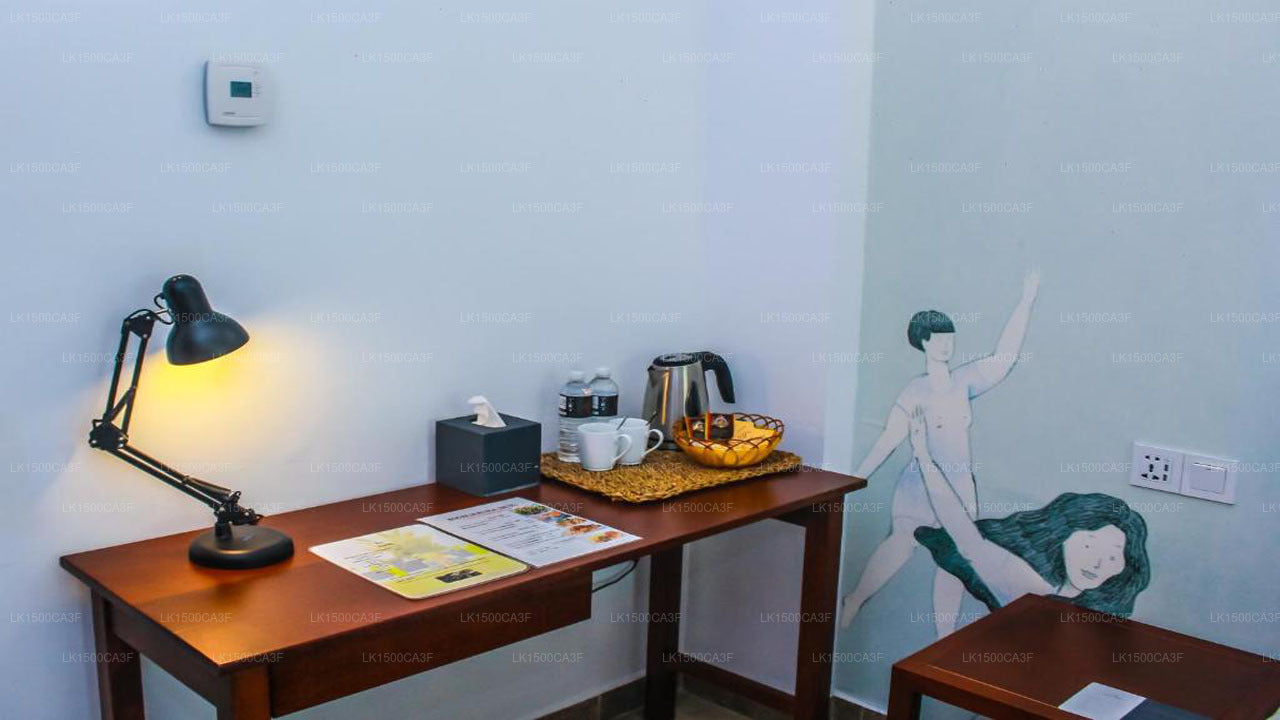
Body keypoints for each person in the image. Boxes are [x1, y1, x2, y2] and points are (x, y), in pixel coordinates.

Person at [841, 271, 1039, 636]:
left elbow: (1005, 356)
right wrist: (851, 480)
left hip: (960, 484)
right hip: (919, 483)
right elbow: (888, 440)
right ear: (924, 342)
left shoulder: (965, 380)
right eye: (939, 339)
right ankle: (854, 599)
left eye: (950, 338)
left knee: (955, 557)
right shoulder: (914, 391)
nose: (947, 345)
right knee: (901, 542)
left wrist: (1026, 301)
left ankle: (944, 637)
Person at [907, 407, 1150, 615]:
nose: (1096, 564)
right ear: (1062, 538)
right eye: (1088, 546)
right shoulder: (1023, 587)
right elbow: (961, 530)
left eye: (1112, 557)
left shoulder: (1106, 612)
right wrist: (923, 456)